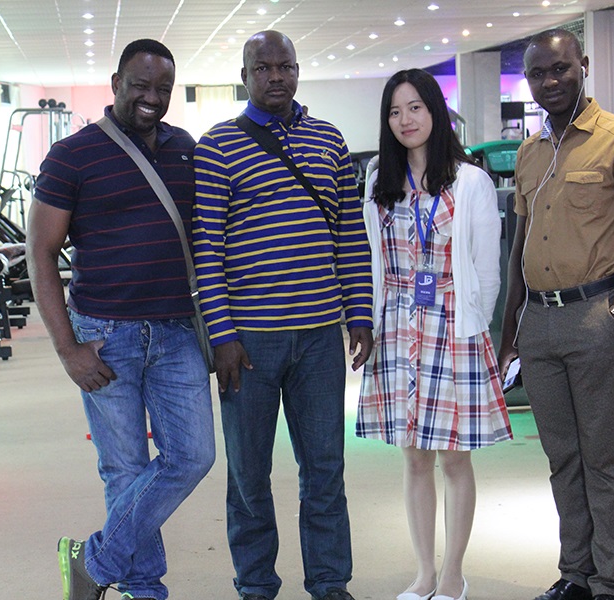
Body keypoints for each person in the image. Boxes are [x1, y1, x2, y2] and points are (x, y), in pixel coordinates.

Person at [27, 39, 216, 600]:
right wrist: (67, 349)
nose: (151, 97)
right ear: (116, 84)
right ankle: (145, 587)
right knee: (124, 467)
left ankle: (94, 561)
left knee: (193, 456)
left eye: (163, 88)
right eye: (140, 85)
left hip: (177, 332)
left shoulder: (185, 150)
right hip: (105, 336)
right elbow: (40, 253)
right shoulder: (72, 156)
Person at [192, 29, 373, 600]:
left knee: (325, 469)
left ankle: (330, 583)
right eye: (263, 68)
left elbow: (350, 235)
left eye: (286, 66)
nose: (276, 76)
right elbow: (207, 249)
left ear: (297, 70)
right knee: (249, 475)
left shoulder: (329, 140)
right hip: (249, 342)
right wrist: (221, 334)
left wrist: (360, 313)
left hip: (319, 338)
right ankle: (255, 585)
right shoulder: (218, 146)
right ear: (244, 76)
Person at [498, 29, 614, 600]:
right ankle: (575, 574)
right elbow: (520, 246)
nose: (549, 81)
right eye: (537, 74)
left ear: (583, 65)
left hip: (599, 315)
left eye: (560, 69)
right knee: (563, 457)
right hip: (539, 323)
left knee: (605, 455)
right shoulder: (529, 152)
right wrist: (511, 329)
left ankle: (610, 583)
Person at [358, 68, 512, 600]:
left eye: (415, 108)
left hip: (453, 327)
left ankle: (453, 574)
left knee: (454, 457)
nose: (405, 120)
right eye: (394, 111)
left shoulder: (469, 181)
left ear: (435, 111)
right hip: (398, 326)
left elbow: (487, 272)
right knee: (414, 456)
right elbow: (373, 261)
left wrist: (471, 326)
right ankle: (424, 572)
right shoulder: (379, 178)